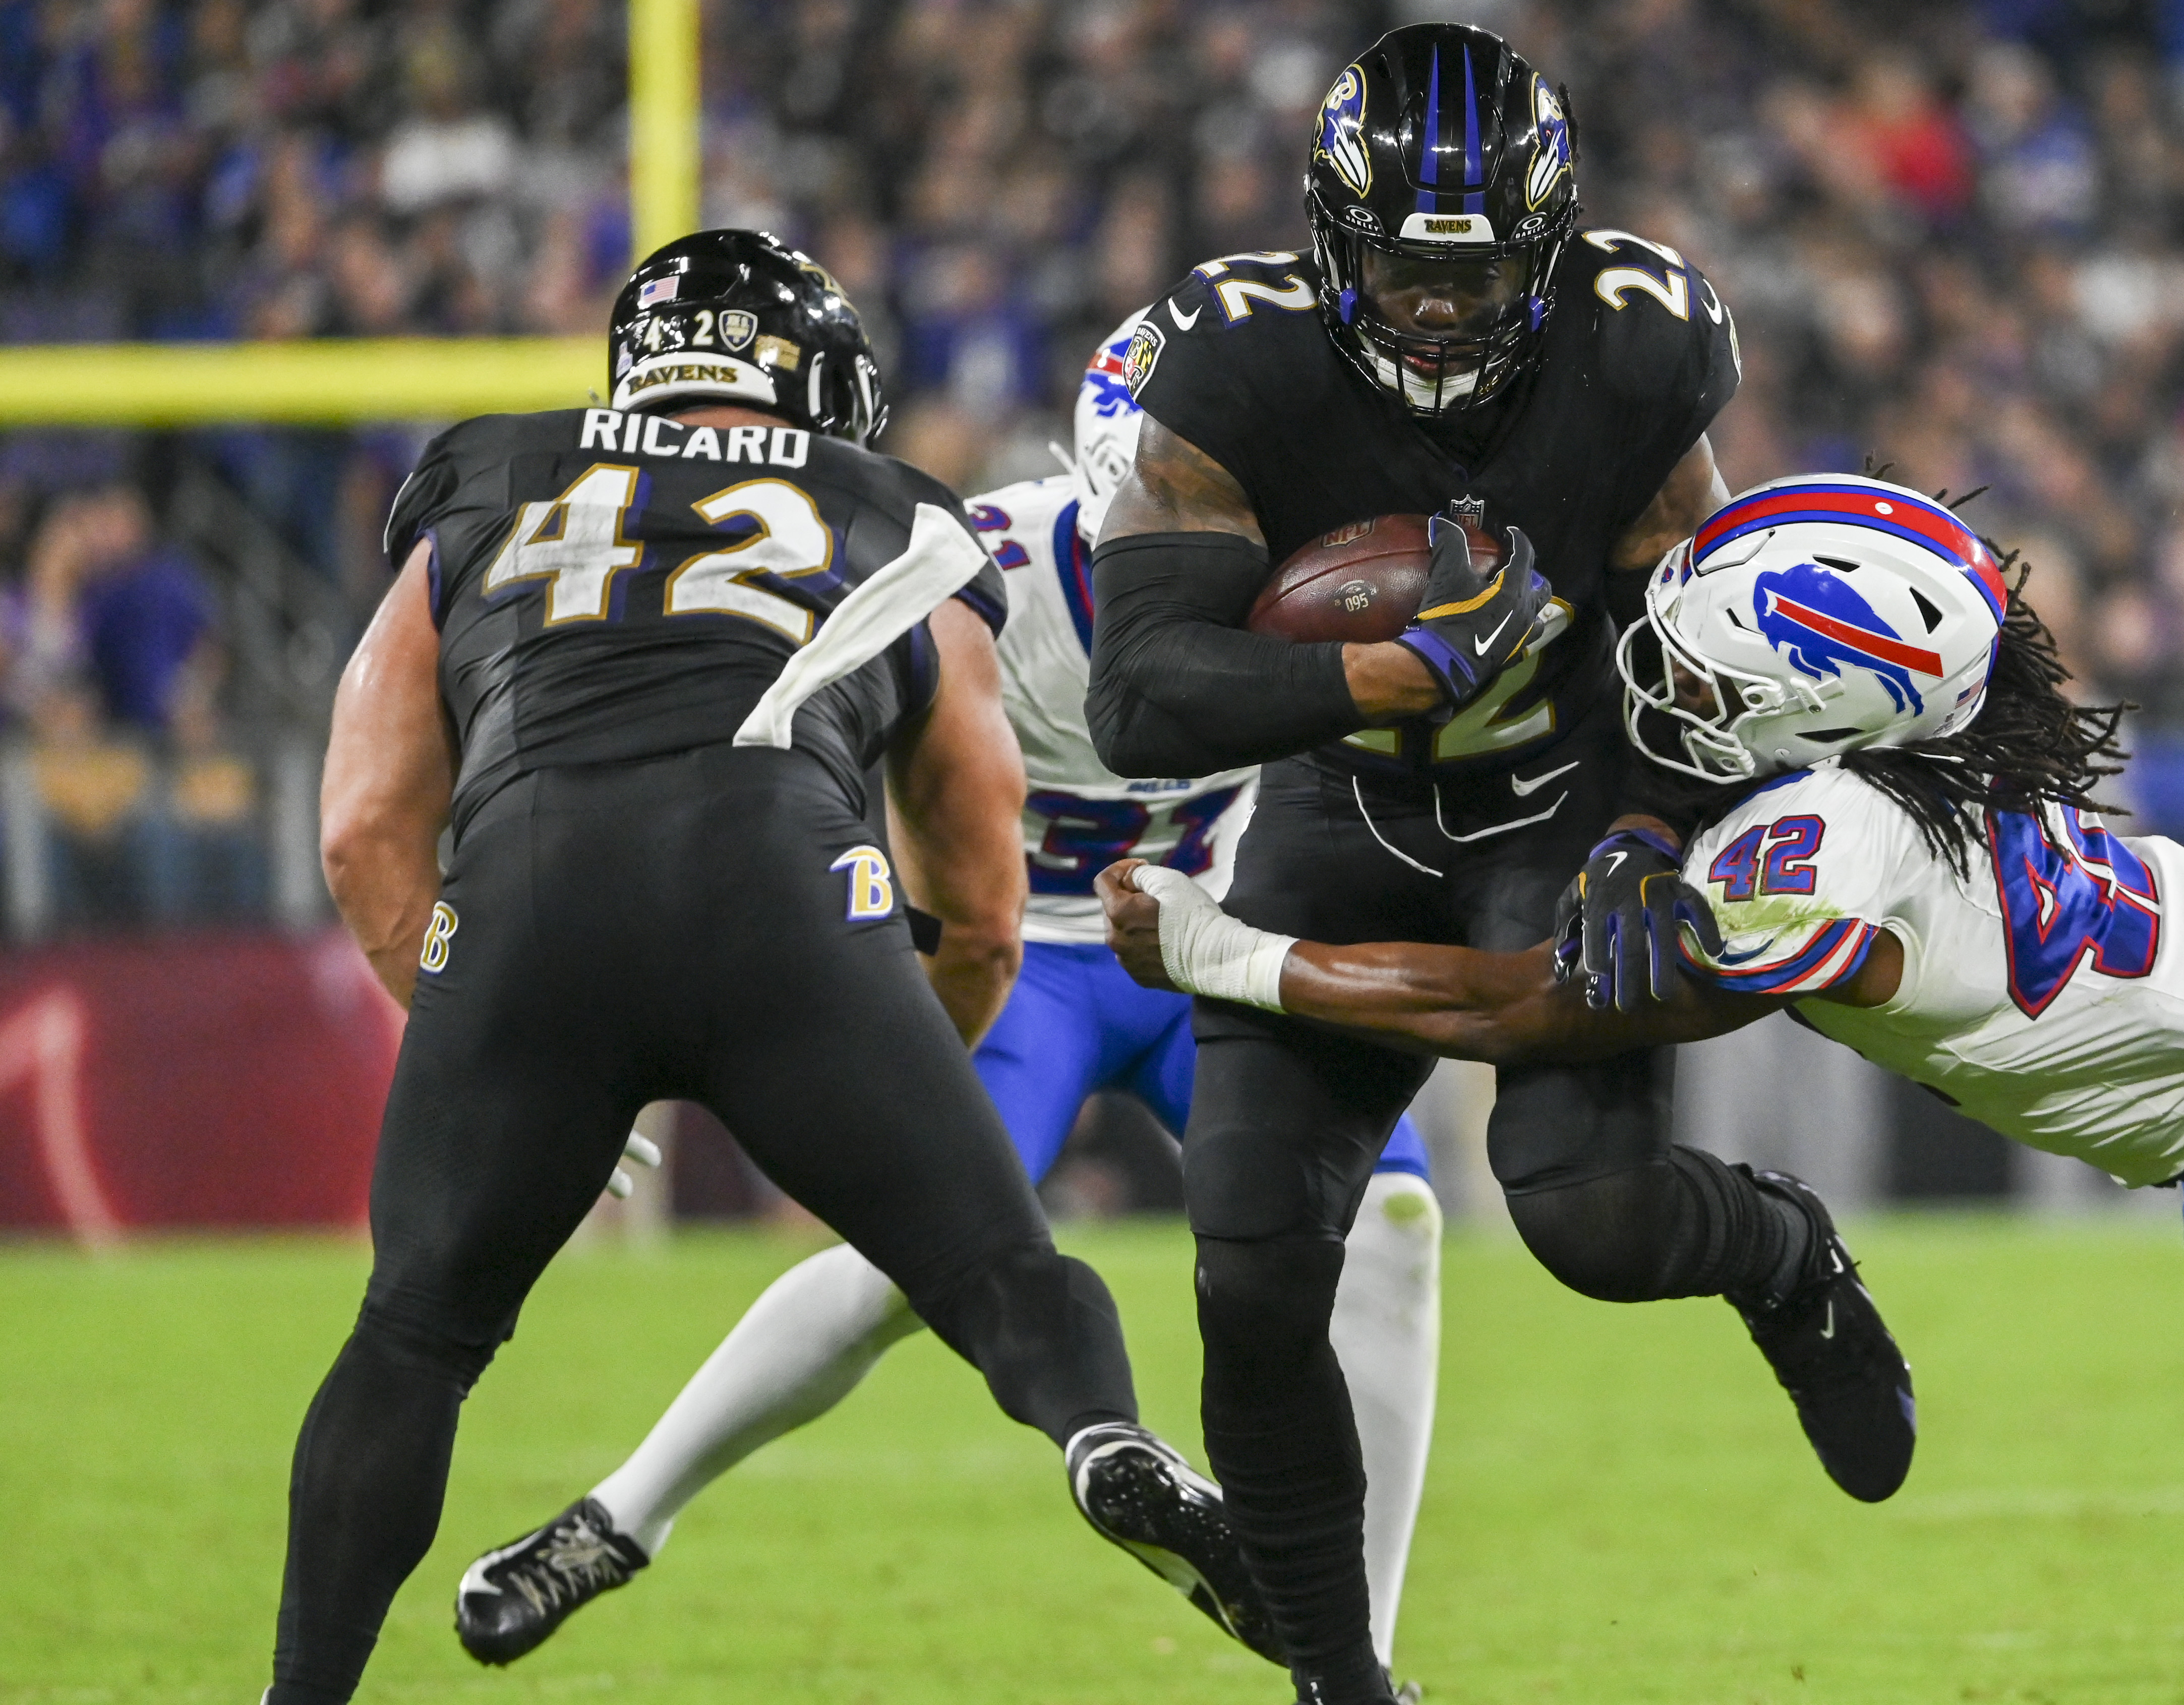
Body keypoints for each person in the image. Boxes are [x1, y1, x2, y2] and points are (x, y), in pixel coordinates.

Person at [1106, 472, 2184, 1677]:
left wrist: (1223, 955)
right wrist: (1641, 836)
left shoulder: (1828, 853)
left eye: (1699, 677)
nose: (1654, 686)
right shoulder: (1897, 757)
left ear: (1823, 719)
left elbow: (1521, 1013)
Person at [268, 229, 1269, 1705]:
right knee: (1003, 1272)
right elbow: (980, 874)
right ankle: (1104, 1438)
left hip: (529, 893)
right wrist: (920, 1046)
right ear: (812, 382)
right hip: (785, 896)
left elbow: (362, 824)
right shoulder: (898, 513)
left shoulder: (487, 475)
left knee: (415, 1334)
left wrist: (464, 1014)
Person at [1081, 25, 1915, 1703]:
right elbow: (1138, 694)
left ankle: (1778, 1254)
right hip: (1346, 801)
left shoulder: (1638, 348)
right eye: (1400, 269)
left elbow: (1710, 642)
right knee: (1248, 1267)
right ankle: (1340, 1682)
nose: (1440, 310)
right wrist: (1375, 676)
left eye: (1476, 275)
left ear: (1549, 249)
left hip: (1568, 789)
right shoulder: (1229, 367)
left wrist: (1642, 825)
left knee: (1590, 1217)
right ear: (1330, 243)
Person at [452, 312, 1446, 1682]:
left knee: (1393, 1215)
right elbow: (773, 723)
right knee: (902, 1263)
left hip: (1203, 938)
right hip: (1015, 951)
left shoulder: (1336, 571)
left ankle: (1353, 1663)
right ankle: (621, 1518)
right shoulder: (966, 565)